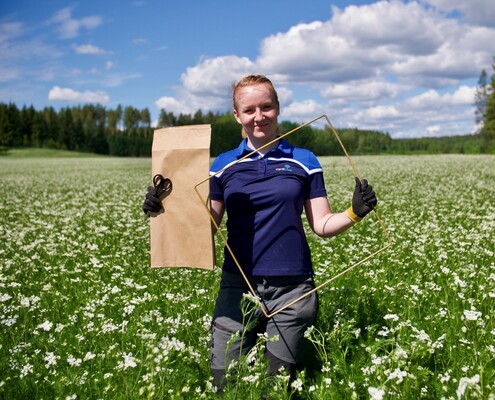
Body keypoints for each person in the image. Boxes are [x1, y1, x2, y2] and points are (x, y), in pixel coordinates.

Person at [143, 74, 377, 391]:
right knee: (225, 384)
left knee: (277, 388)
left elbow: (321, 225)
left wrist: (354, 213)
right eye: (249, 109)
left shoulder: (304, 160)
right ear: (237, 115)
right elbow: (205, 228)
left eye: (266, 107)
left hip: (293, 289)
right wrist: (164, 210)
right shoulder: (223, 165)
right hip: (237, 286)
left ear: (277, 108)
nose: (259, 116)